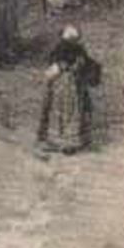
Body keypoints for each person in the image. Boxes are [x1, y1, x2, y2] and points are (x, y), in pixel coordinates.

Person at [36, 25, 103, 155]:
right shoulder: (63, 50)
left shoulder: (74, 50)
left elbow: (86, 64)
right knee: (65, 111)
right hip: (64, 87)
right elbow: (53, 69)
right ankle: (63, 142)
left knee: (70, 111)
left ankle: (68, 143)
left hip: (70, 87)